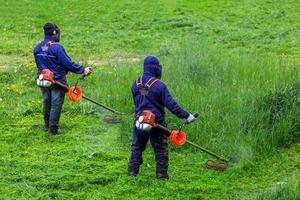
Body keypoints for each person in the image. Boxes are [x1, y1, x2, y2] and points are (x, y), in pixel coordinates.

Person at [128, 56, 196, 179]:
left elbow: (136, 103)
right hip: (156, 123)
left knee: (137, 146)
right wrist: (187, 115)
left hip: (139, 120)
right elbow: (172, 105)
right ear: (156, 68)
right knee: (160, 149)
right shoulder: (159, 86)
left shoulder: (135, 83)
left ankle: (132, 172)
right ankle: (162, 175)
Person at [33, 22, 92, 136]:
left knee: (46, 101)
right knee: (55, 104)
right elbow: (68, 64)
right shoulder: (56, 48)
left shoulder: (38, 47)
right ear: (55, 32)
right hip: (57, 81)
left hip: (43, 80)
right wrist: (82, 70)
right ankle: (53, 130)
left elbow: (39, 64)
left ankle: (46, 126)